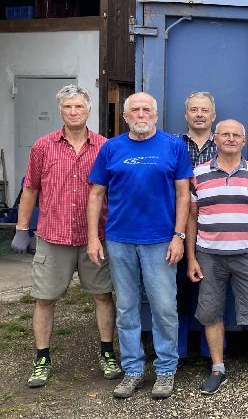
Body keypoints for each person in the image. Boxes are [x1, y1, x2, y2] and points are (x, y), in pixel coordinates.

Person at [12, 84, 121, 388]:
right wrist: (22, 228)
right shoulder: (42, 147)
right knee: (45, 299)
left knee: (102, 295)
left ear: (89, 110)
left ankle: (106, 352)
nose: (74, 112)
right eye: (68, 107)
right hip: (53, 236)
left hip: (94, 238)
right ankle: (42, 358)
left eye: (79, 107)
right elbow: (31, 187)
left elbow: (116, 190)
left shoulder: (105, 147)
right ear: (60, 111)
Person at [87, 92, 193, 399]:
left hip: (161, 241)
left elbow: (184, 195)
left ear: (156, 116)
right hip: (119, 240)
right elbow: (95, 195)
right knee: (126, 308)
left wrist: (179, 236)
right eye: (135, 110)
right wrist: (94, 237)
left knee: (163, 308)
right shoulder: (112, 148)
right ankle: (132, 370)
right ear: (125, 117)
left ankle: (165, 371)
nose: (141, 114)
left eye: (147, 110)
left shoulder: (173, 146)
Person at [186, 119, 248, 397]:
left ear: (244, 141)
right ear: (215, 139)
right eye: (225, 135)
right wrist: (191, 257)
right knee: (210, 312)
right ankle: (218, 369)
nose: (230, 139)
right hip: (209, 256)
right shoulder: (199, 174)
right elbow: (192, 217)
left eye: (236, 135)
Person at [176, 91, 218, 358]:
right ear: (186, 115)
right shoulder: (173, 145)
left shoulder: (226, 143)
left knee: (213, 291)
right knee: (178, 291)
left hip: (215, 230)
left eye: (204, 110)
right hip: (179, 227)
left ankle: (210, 352)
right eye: (194, 110)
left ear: (213, 116)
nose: (199, 114)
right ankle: (177, 352)